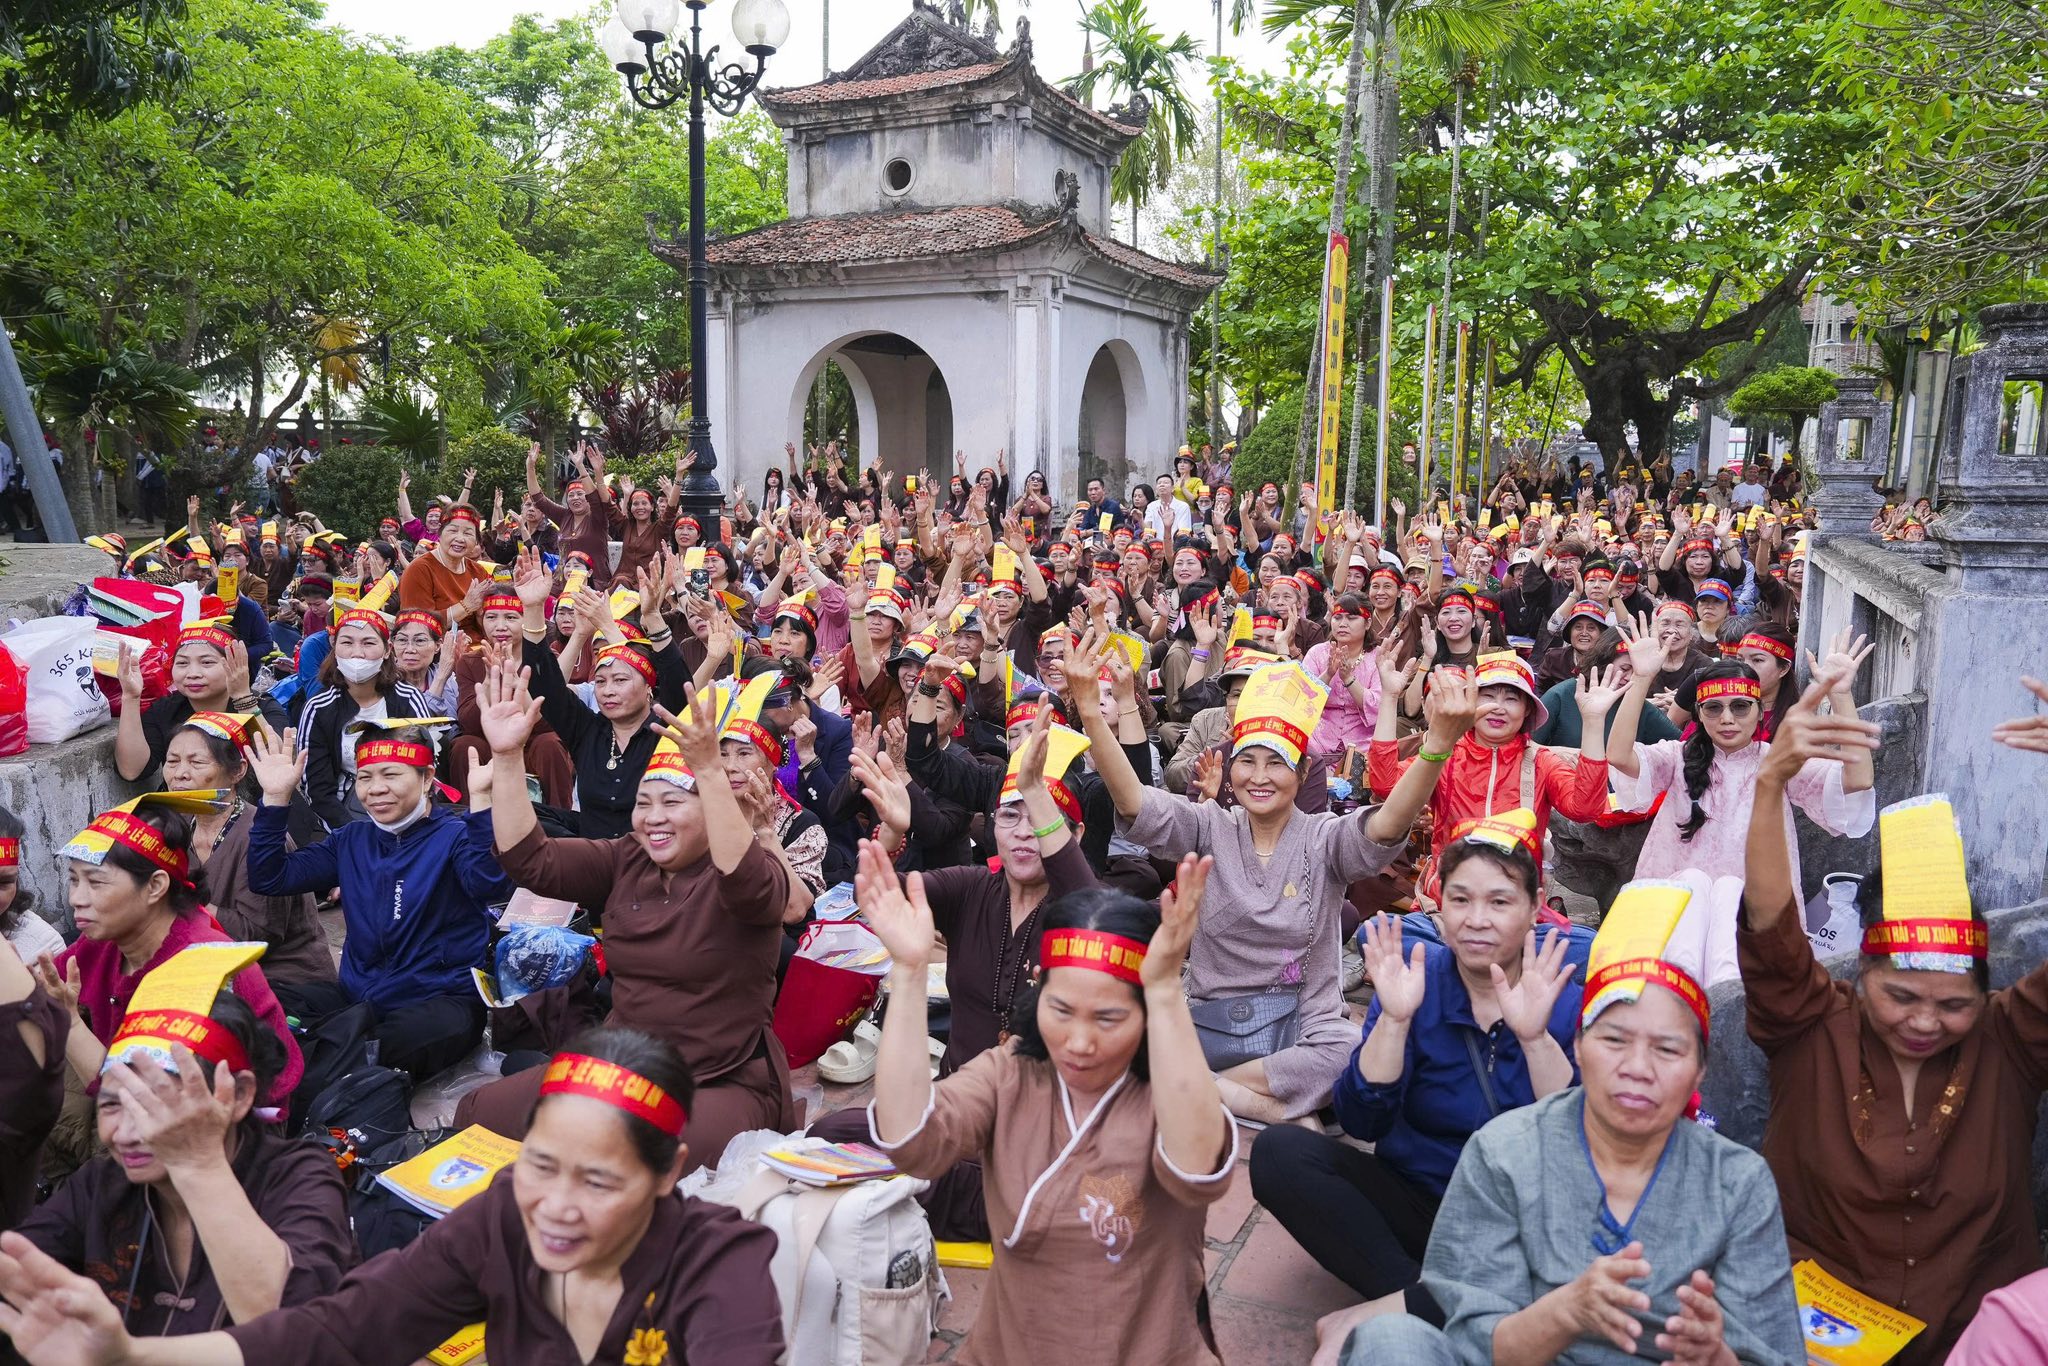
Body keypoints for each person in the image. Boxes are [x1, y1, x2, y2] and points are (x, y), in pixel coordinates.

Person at [0, 1027, 785, 1366]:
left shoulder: (718, 1259)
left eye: (600, 1180)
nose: (556, 1205)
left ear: (669, 1173)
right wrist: (130, 1354)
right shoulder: (502, 1222)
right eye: (543, 1164)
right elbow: (339, 1334)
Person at [1339, 879, 1804, 1366]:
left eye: (1668, 1049)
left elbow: (1775, 1353)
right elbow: (1472, 1342)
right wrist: (1568, 1311)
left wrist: (1716, 1356)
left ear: (1700, 1071)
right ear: (1579, 1047)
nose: (1638, 1068)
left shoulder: (1738, 1184)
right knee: (1389, 1342)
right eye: (1615, 1041)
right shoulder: (1505, 1151)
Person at [1736, 678, 2048, 1363]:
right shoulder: (1810, 1025)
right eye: (1901, 997)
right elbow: (1769, 927)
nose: (1927, 1022)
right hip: (1810, 1342)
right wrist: (1768, 785)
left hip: (1982, 1343)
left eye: (1954, 1004)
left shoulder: (2013, 1040)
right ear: (1860, 973)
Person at [864, 845, 1236, 1365]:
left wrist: (1166, 988)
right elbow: (910, 1139)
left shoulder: (1169, 1091)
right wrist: (907, 971)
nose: (1078, 1042)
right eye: (1061, 1010)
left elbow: (1197, 1166)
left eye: (1108, 1018)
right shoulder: (1011, 1068)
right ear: (1039, 991)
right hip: (1010, 1349)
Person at [1081, 640, 1471, 1125]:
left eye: (1276, 763)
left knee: (1353, 1054)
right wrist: (1092, 716)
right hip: (1212, 1020)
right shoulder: (1210, 827)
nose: (1259, 777)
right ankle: (1269, 1105)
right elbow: (1137, 803)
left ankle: (1208, 1090)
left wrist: (1435, 747)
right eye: (1248, 762)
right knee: (1127, 1035)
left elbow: (1386, 828)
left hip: (1307, 1027)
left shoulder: (1325, 838)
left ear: (1303, 771)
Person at [1254, 814, 1582, 1361]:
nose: (1477, 920)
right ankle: (1429, 1301)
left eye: (1500, 902)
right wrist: (1395, 1021)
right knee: (1279, 1154)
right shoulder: (1411, 976)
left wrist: (1535, 1038)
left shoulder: (1569, 988)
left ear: (1535, 904)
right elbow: (1362, 1124)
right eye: (1461, 900)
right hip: (1421, 1201)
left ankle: (1410, 1312)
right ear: (1439, 900)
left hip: (1520, 1220)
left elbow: (1579, 1147)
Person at [450, 667, 795, 1172]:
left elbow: (747, 883)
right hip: (621, 1064)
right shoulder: (627, 856)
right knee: (478, 1115)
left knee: (628, 1159)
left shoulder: (752, 872)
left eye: (673, 803)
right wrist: (506, 758)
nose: (653, 818)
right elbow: (531, 860)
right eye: (643, 803)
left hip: (718, 1078)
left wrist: (711, 775)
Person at [1604, 629, 1876, 987]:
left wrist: (1841, 696)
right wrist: (1641, 679)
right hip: (1674, 908)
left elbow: (1857, 779)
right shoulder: (1677, 756)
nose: (1727, 718)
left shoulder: (1778, 761)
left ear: (1758, 711)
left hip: (1754, 913)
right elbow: (1620, 756)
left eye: (1740, 706)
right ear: (1699, 714)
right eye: (1714, 708)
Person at [244, 722, 510, 1081]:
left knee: (414, 1036)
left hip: (436, 1000)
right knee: (264, 1001)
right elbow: (270, 877)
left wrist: (481, 805)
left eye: (391, 774)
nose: (376, 789)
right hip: (359, 997)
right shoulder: (352, 839)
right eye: (365, 777)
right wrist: (275, 800)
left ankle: (320, 1060)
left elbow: (489, 885)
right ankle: (333, 1055)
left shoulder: (456, 835)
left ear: (428, 777)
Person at [37, 795, 303, 1106]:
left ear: (155, 886)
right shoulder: (103, 939)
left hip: (219, 1126)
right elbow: (39, 989)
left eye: (96, 883)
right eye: (73, 880)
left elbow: (139, 1102)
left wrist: (67, 1019)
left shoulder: (202, 967)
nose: (76, 899)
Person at [1369, 651, 1616, 905]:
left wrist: (1595, 722)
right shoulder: (1446, 755)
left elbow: (1586, 808)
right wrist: (1389, 698)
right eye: (1487, 696)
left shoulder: (1541, 761)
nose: (1498, 707)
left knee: (1583, 944)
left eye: (1511, 698)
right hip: (1446, 903)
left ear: (1527, 710)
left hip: (1514, 906)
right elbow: (1386, 784)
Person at [161, 715, 334, 995]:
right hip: (214, 966)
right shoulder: (178, 827)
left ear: (237, 771)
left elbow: (256, 936)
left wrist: (179, 903)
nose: (180, 773)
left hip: (284, 980)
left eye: (196, 762)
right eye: (172, 761)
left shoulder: (258, 836)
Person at [294, 610, 438, 832]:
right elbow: (316, 788)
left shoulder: (409, 699)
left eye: (369, 643)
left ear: (388, 649)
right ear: (334, 647)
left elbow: (426, 766)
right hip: (345, 814)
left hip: (406, 808)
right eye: (347, 643)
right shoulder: (318, 708)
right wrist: (353, 834)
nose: (357, 654)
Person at [113, 627, 285, 785]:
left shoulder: (263, 705)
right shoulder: (167, 709)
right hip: (187, 810)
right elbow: (131, 771)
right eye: (182, 663)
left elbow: (279, 762)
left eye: (207, 663)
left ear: (234, 665)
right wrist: (130, 697)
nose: (193, 674)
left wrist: (242, 698)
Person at [395, 504, 496, 625]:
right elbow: (417, 625)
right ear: (439, 534)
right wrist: (466, 606)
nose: (460, 538)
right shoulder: (419, 569)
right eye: (453, 531)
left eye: (468, 533)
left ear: (477, 541)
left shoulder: (478, 571)